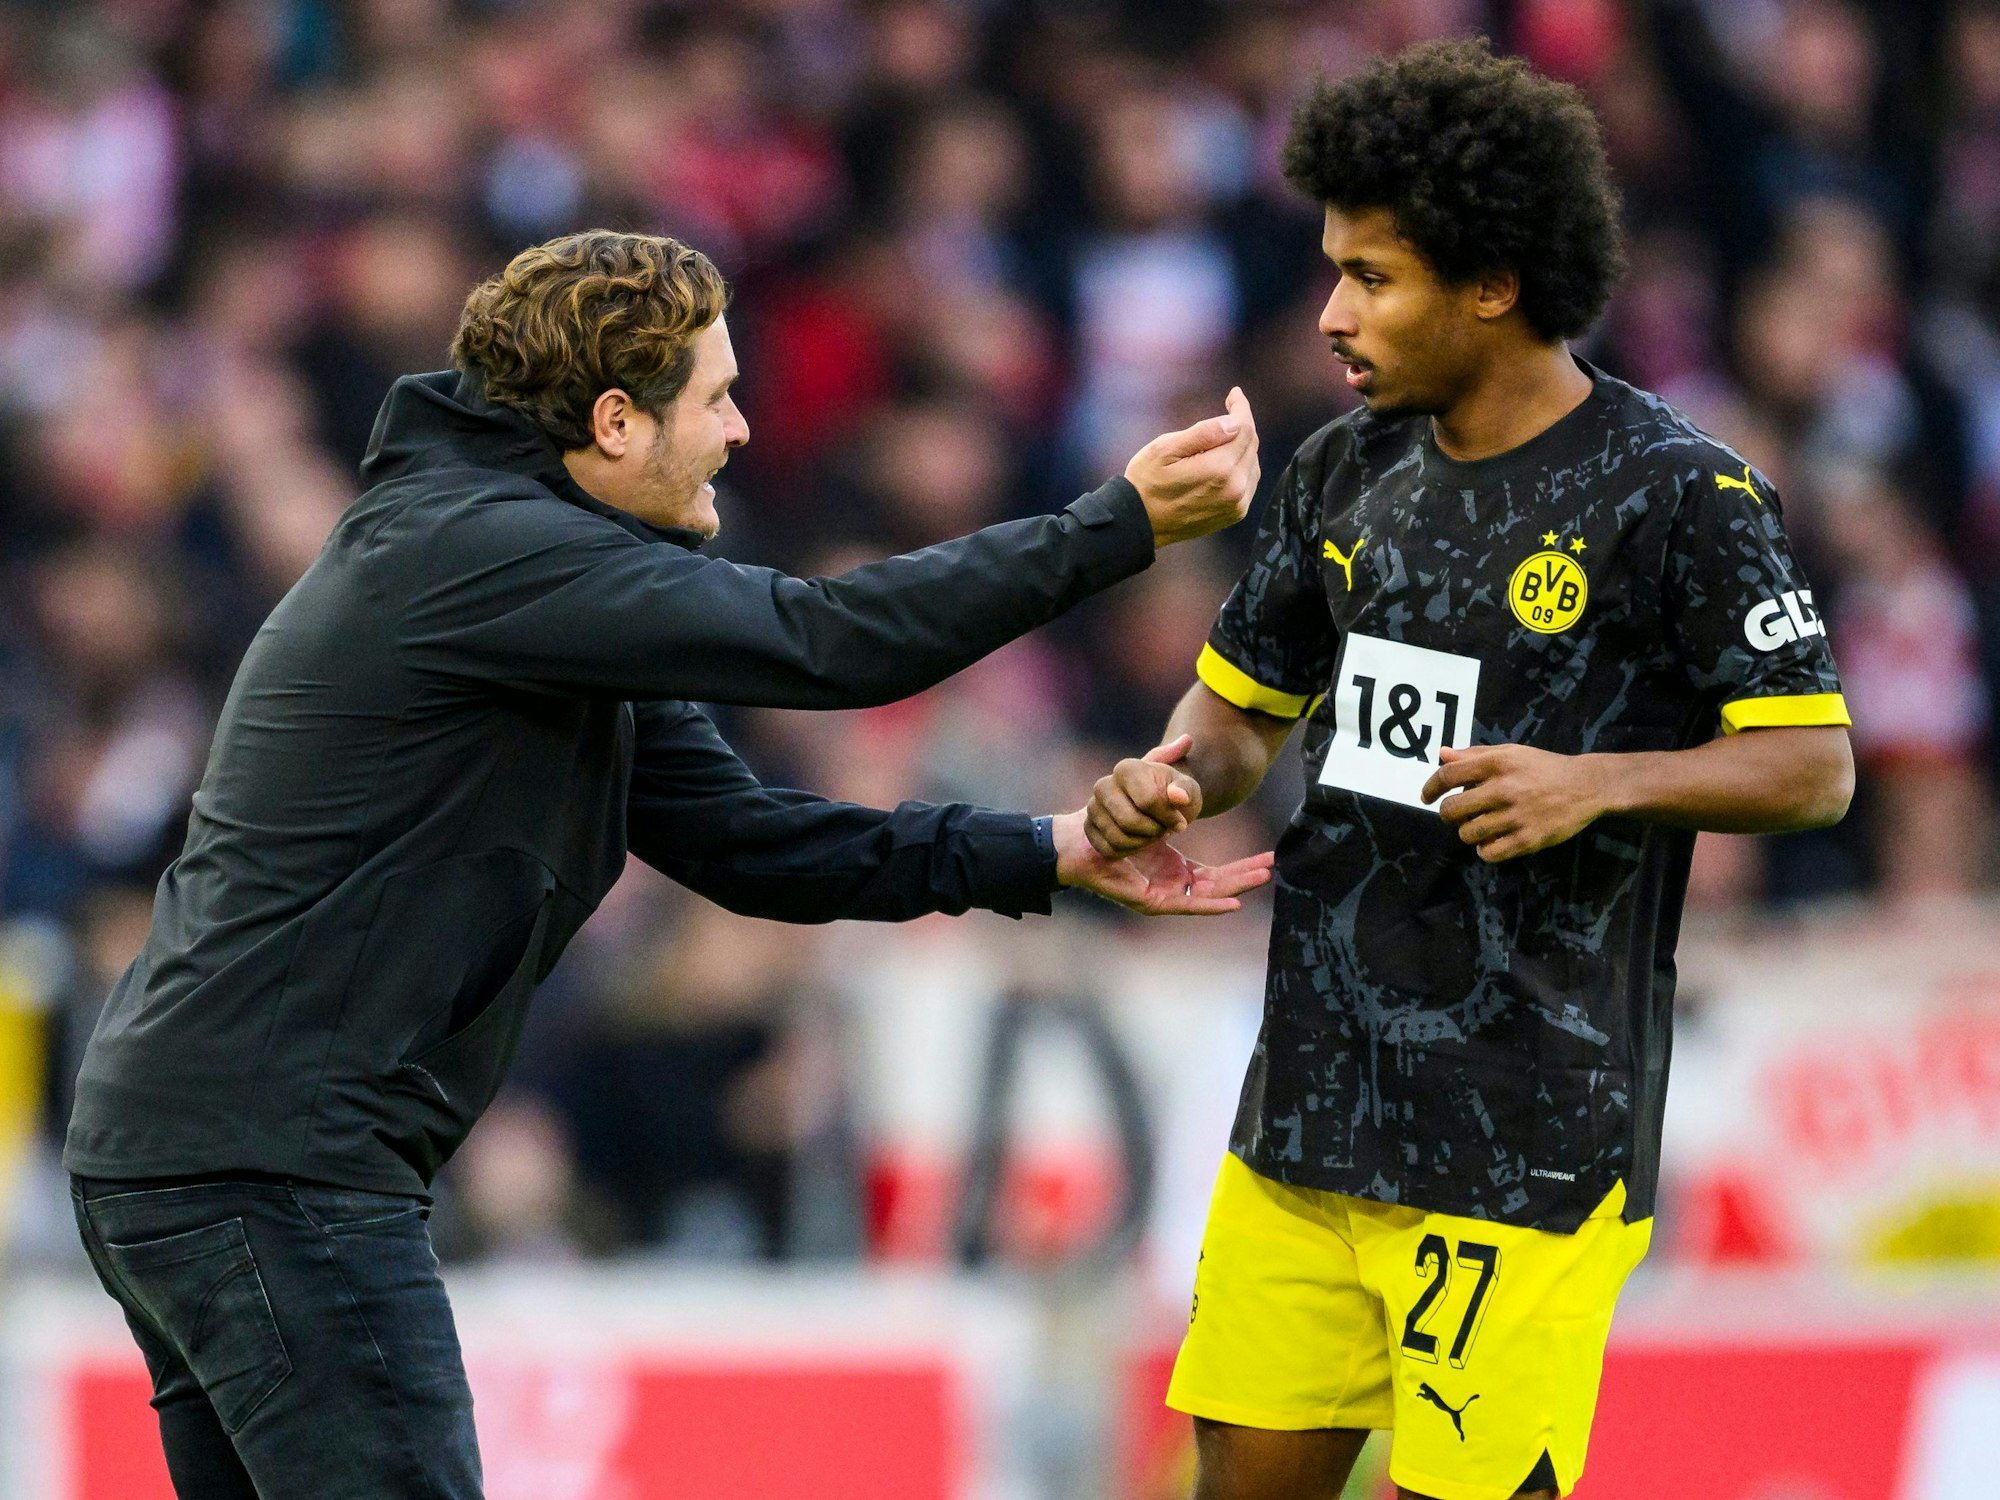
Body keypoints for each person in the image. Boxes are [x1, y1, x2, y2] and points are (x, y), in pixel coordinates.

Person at [63, 228, 1270, 1500]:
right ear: (615, 422)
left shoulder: (524, 580)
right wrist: (1113, 528)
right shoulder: (486, 553)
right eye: (716, 397)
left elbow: (750, 845)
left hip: (207, 1144)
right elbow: (831, 643)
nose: (742, 431)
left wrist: (1046, 851)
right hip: (272, 1161)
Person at [1086, 41, 1853, 1500]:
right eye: (1332, 270)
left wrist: (1599, 784)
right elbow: (1243, 714)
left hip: (1526, 1135)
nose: (1330, 314)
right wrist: (1174, 778)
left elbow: (1812, 767)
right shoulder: (1344, 471)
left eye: (1372, 276)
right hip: (1312, 1107)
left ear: (1492, 280)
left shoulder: (1680, 495)